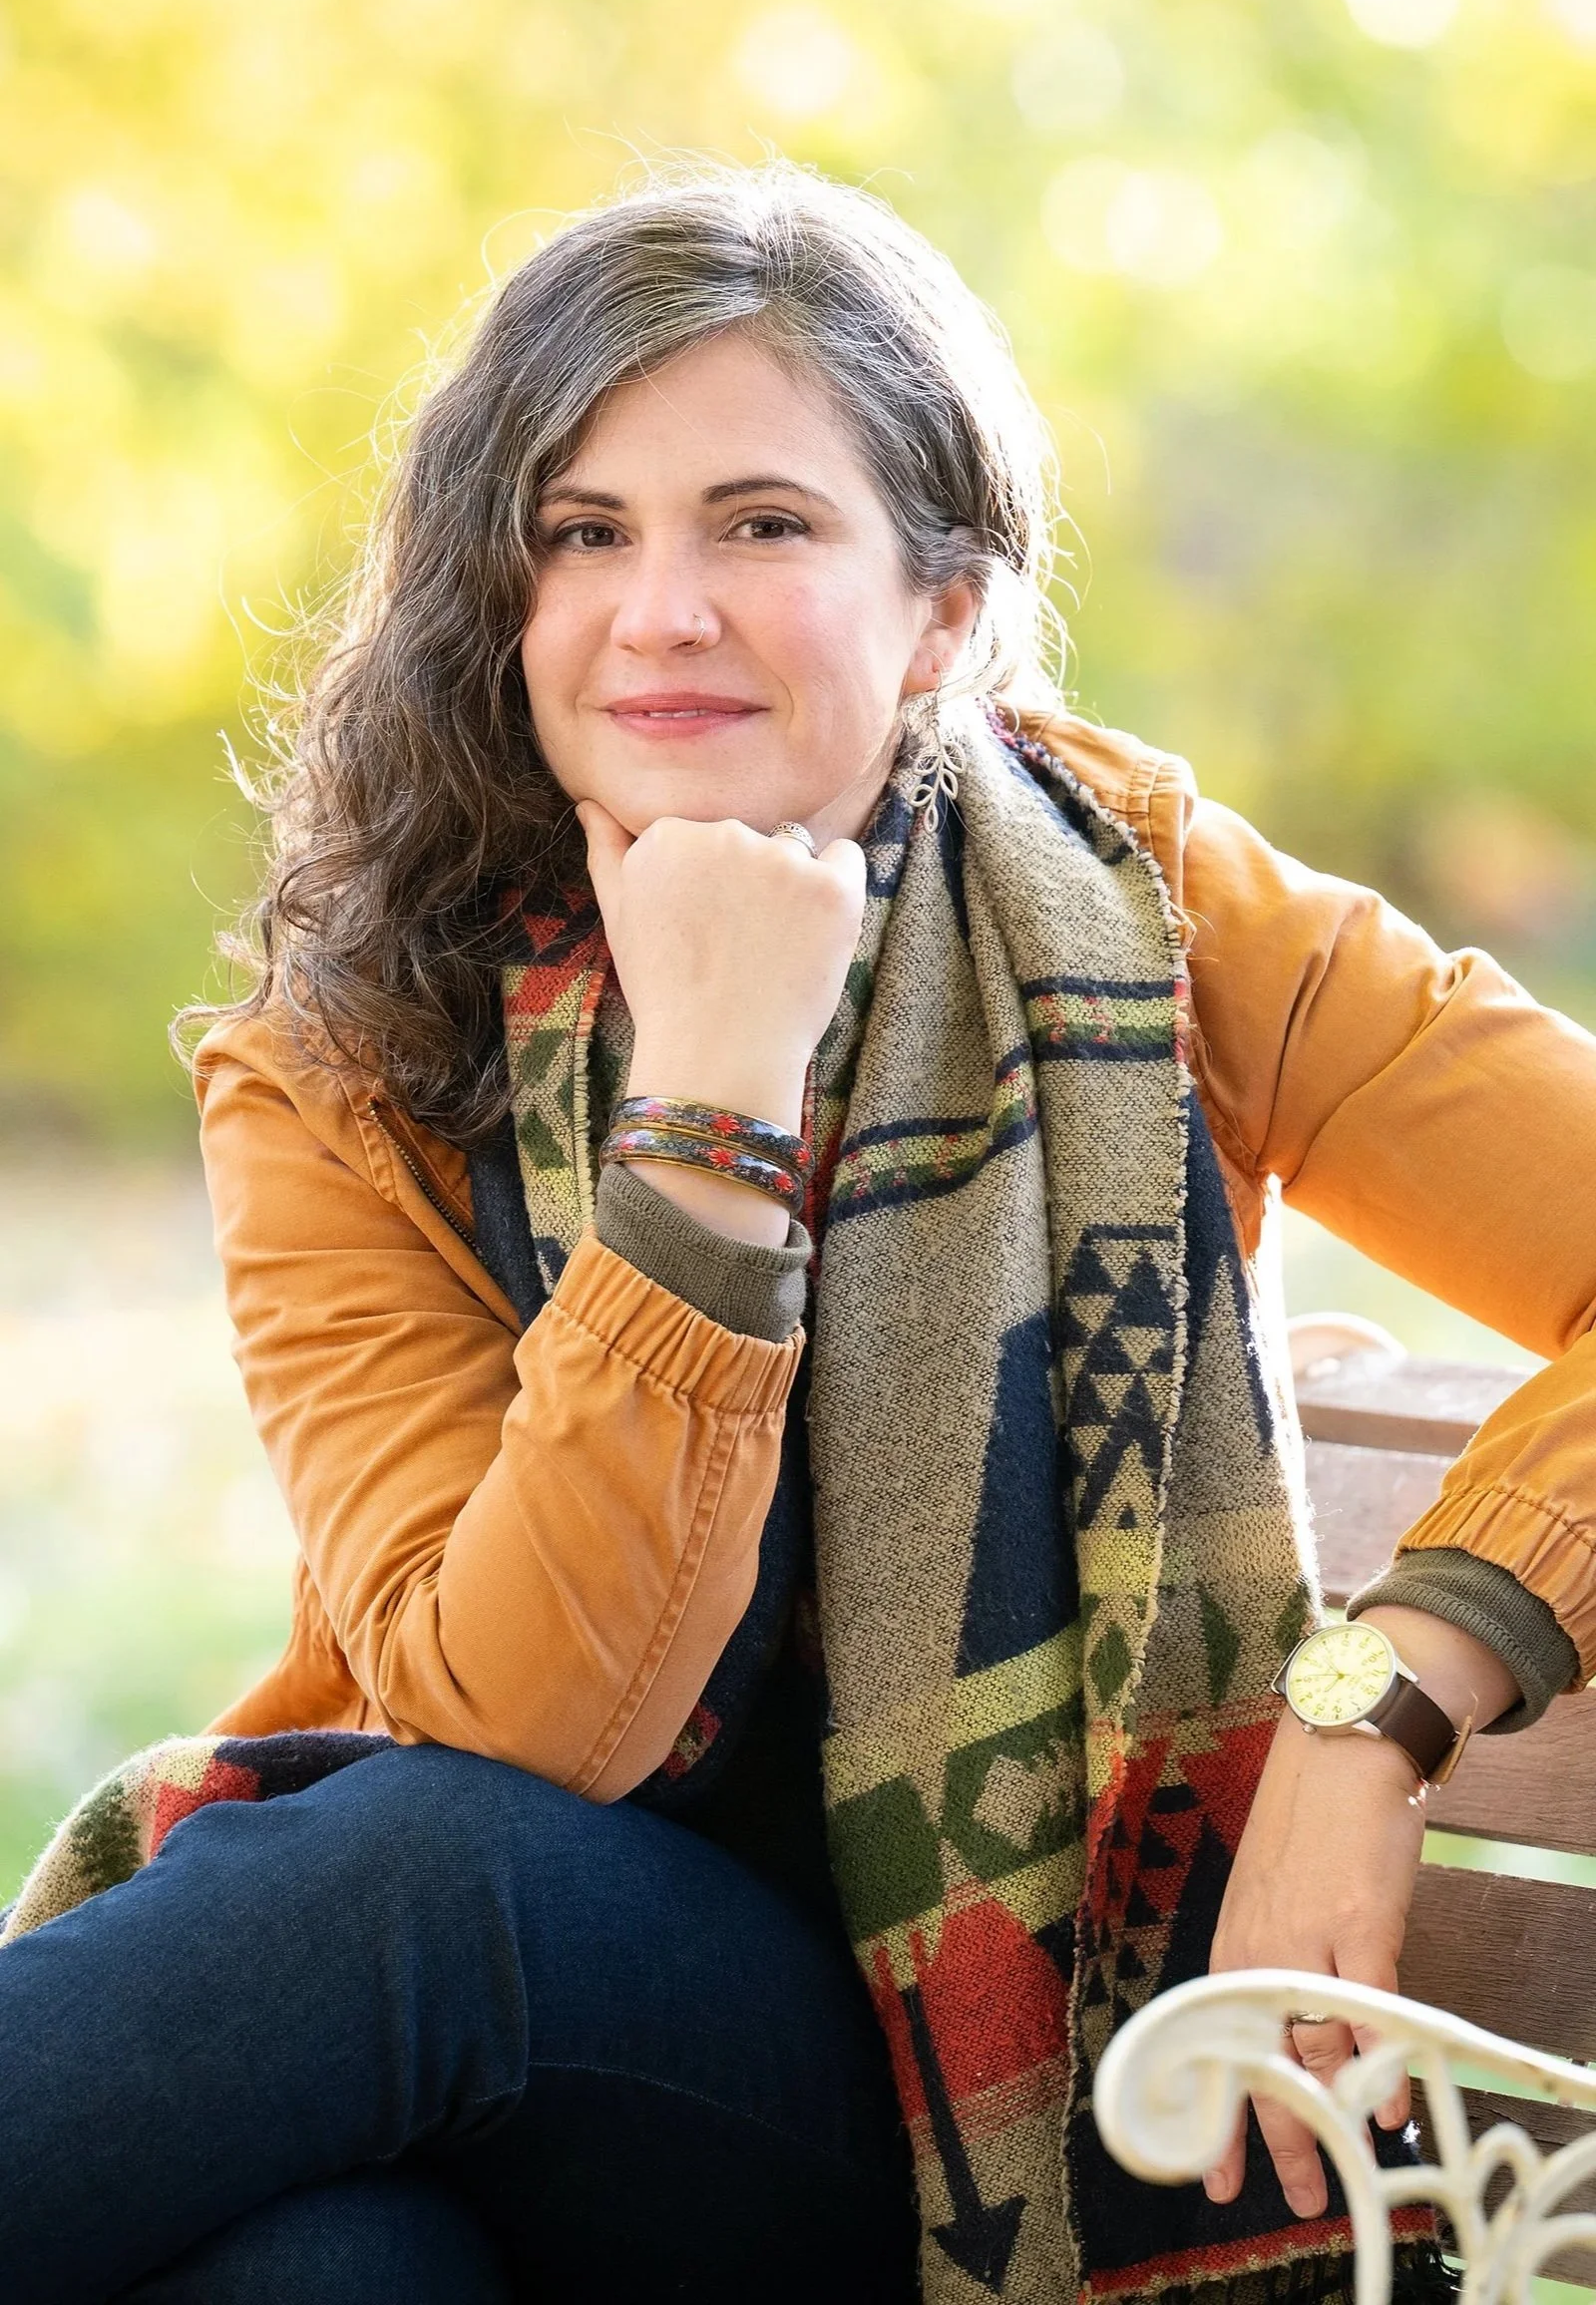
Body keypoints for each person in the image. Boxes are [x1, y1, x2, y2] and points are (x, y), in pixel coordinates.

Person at [2, 156, 1593, 2305]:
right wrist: (711, 1118)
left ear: (939, 603)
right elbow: (540, 1729)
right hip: (507, 2061)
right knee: (319, 2266)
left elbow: (475, 1825)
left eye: (760, 523)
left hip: (1012, 2107)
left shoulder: (1154, 924)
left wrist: (1368, 1701)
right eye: (582, 535)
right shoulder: (344, 1065)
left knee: (404, 1883)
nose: (659, 609)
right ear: (505, 600)